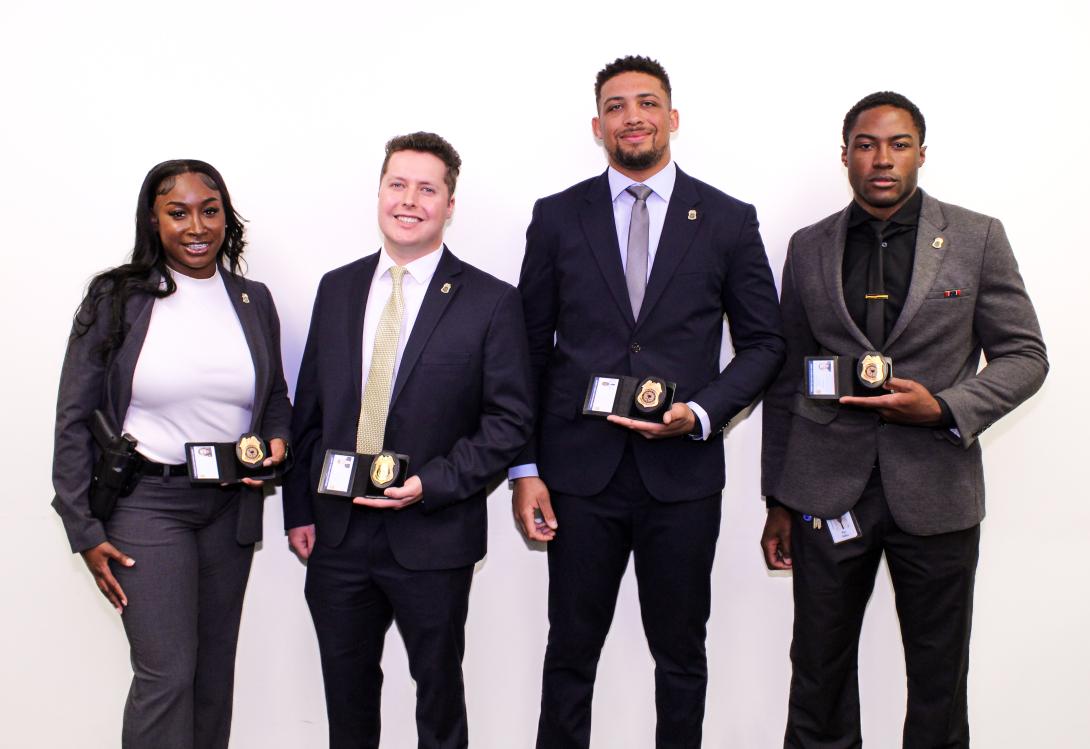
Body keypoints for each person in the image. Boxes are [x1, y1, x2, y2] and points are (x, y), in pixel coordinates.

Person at [511, 56, 786, 748]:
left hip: (682, 481)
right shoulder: (555, 217)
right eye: (616, 105)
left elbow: (763, 343)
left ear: (673, 117)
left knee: (682, 655)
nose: (631, 115)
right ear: (598, 124)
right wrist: (525, 469)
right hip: (578, 476)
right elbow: (525, 353)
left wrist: (699, 413)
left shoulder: (727, 219)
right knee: (570, 651)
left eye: (646, 102)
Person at [760, 92, 1048, 748]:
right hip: (824, 489)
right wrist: (777, 496)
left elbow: (1026, 355)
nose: (881, 158)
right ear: (846, 157)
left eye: (897, 144)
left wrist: (945, 406)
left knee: (938, 680)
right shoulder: (808, 247)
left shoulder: (976, 237)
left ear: (921, 151)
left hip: (937, 491)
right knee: (817, 675)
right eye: (866, 145)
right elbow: (786, 380)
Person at [283, 132, 533, 749]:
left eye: (428, 188)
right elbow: (308, 408)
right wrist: (298, 510)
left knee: (439, 703)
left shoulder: (492, 302)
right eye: (398, 184)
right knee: (346, 705)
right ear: (379, 192)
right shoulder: (336, 288)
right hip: (337, 535)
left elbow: (509, 422)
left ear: (450, 205)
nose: (410, 200)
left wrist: (433, 484)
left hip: (433, 534)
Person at [51, 159, 292, 749]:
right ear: (153, 220)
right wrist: (82, 526)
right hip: (147, 506)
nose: (196, 227)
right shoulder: (118, 298)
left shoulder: (252, 300)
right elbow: (73, 417)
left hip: (229, 507)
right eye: (177, 212)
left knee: (212, 678)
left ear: (225, 218)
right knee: (167, 676)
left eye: (209, 211)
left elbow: (276, 398)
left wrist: (278, 443)